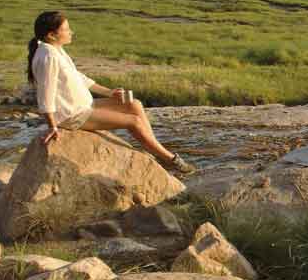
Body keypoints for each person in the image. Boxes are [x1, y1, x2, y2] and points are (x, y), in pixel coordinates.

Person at [26, 11, 196, 175]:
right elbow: (46, 93)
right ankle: (170, 160)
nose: (71, 32)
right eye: (66, 29)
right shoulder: (48, 56)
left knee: (134, 104)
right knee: (134, 121)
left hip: (83, 106)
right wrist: (52, 126)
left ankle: (155, 150)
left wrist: (109, 93)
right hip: (71, 115)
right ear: (51, 35)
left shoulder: (55, 50)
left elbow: (79, 78)